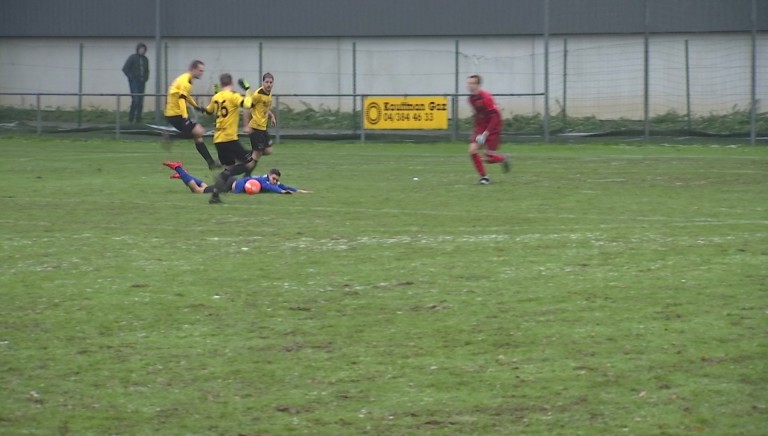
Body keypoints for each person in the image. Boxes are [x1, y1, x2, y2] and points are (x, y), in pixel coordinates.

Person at [204, 73, 260, 204]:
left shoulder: (216, 97)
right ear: (231, 83)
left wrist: (216, 93)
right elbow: (247, 104)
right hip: (230, 138)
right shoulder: (233, 96)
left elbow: (208, 111)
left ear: (221, 83)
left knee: (229, 168)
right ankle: (221, 176)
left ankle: (215, 196)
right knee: (249, 163)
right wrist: (247, 89)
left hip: (218, 139)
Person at [164, 60, 220, 170]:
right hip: (175, 114)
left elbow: (186, 97)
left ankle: (211, 163)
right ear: (193, 69)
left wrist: (196, 106)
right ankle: (170, 136)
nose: (201, 73)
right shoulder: (186, 82)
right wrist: (185, 117)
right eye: (200, 70)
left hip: (173, 113)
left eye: (202, 71)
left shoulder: (186, 79)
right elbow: (181, 99)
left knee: (198, 136)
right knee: (199, 131)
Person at [163, 162, 310, 195]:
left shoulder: (266, 179)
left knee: (204, 186)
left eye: (276, 180)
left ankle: (184, 174)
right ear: (269, 175)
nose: (275, 182)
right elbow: (272, 188)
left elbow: (283, 186)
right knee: (197, 190)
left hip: (231, 182)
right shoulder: (265, 182)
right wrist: (282, 193)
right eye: (274, 179)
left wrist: (299, 191)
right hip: (229, 186)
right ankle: (179, 168)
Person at [466, 74, 510, 184]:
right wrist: (477, 130)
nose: (469, 86)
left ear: (478, 85)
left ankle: (502, 159)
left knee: (488, 158)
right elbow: (478, 115)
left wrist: (486, 133)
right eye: (468, 83)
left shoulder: (486, 97)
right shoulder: (471, 99)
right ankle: (484, 177)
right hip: (481, 127)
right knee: (472, 150)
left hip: (493, 127)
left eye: (472, 83)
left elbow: (494, 117)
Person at [242, 72, 277, 176]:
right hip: (255, 127)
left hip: (263, 127)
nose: (269, 84)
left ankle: (247, 154)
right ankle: (247, 175)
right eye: (267, 82)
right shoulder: (258, 94)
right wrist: (247, 124)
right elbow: (247, 107)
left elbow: (264, 108)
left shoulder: (269, 94)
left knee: (268, 150)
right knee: (258, 153)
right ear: (263, 82)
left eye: (271, 82)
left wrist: (272, 116)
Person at [122, 42, 150, 124]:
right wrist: (131, 78)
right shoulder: (132, 58)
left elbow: (147, 70)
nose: (142, 51)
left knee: (140, 100)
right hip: (134, 82)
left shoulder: (145, 59)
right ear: (138, 49)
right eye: (141, 49)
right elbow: (125, 69)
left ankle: (138, 119)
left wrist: (146, 78)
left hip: (142, 82)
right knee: (135, 99)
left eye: (144, 49)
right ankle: (131, 118)